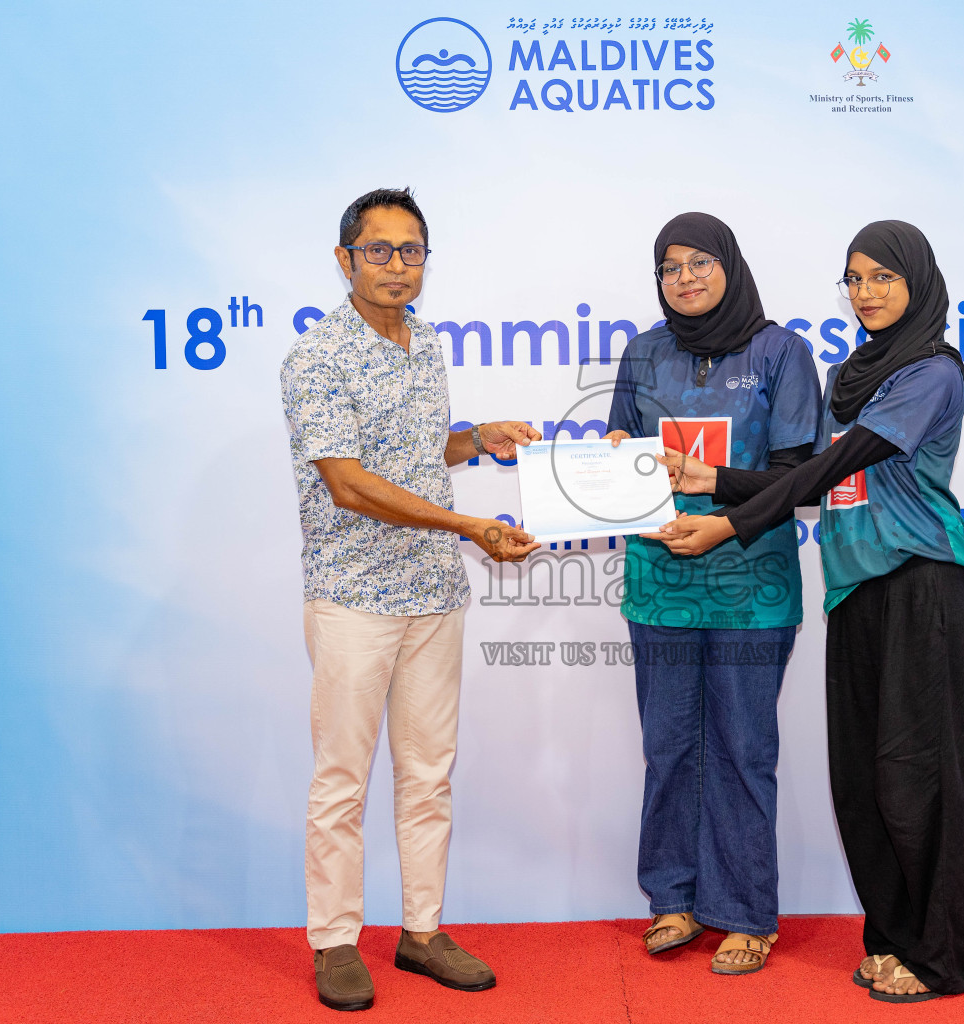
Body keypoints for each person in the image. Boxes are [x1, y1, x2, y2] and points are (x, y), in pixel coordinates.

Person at [649, 221, 964, 1002]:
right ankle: (893, 938)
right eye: (855, 279)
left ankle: (945, 957)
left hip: (923, 585)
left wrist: (727, 516)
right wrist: (714, 480)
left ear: (918, 284)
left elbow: (838, 461)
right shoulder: (853, 373)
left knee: (923, 778)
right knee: (866, 780)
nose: (867, 294)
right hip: (856, 590)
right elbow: (810, 478)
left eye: (883, 279)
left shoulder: (932, 372)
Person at [279, 187, 541, 1012]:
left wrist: (478, 439)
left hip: (433, 593)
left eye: (412, 250)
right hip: (355, 595)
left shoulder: (423, 343)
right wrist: (469, 523)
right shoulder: (316, 357)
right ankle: (333, 941)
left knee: (429, 774)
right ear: (344, 258)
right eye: (380, 250)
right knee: (342, 781)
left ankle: (421, 932)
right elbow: (350, 485)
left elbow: (417, 452)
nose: (398, 265)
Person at [603, 212, 822, 975]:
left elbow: (803, 479)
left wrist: (722, 518)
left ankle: (744, 912)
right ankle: (673, 899)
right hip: (658, 583)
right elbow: (619, 457)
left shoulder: (781, 353)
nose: (685, 278)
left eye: (700, 262)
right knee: (667, 747)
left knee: (741, 747)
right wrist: (600, 474)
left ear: (730, 265)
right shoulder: (642, 353)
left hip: (748, 586)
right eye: (670, 266)